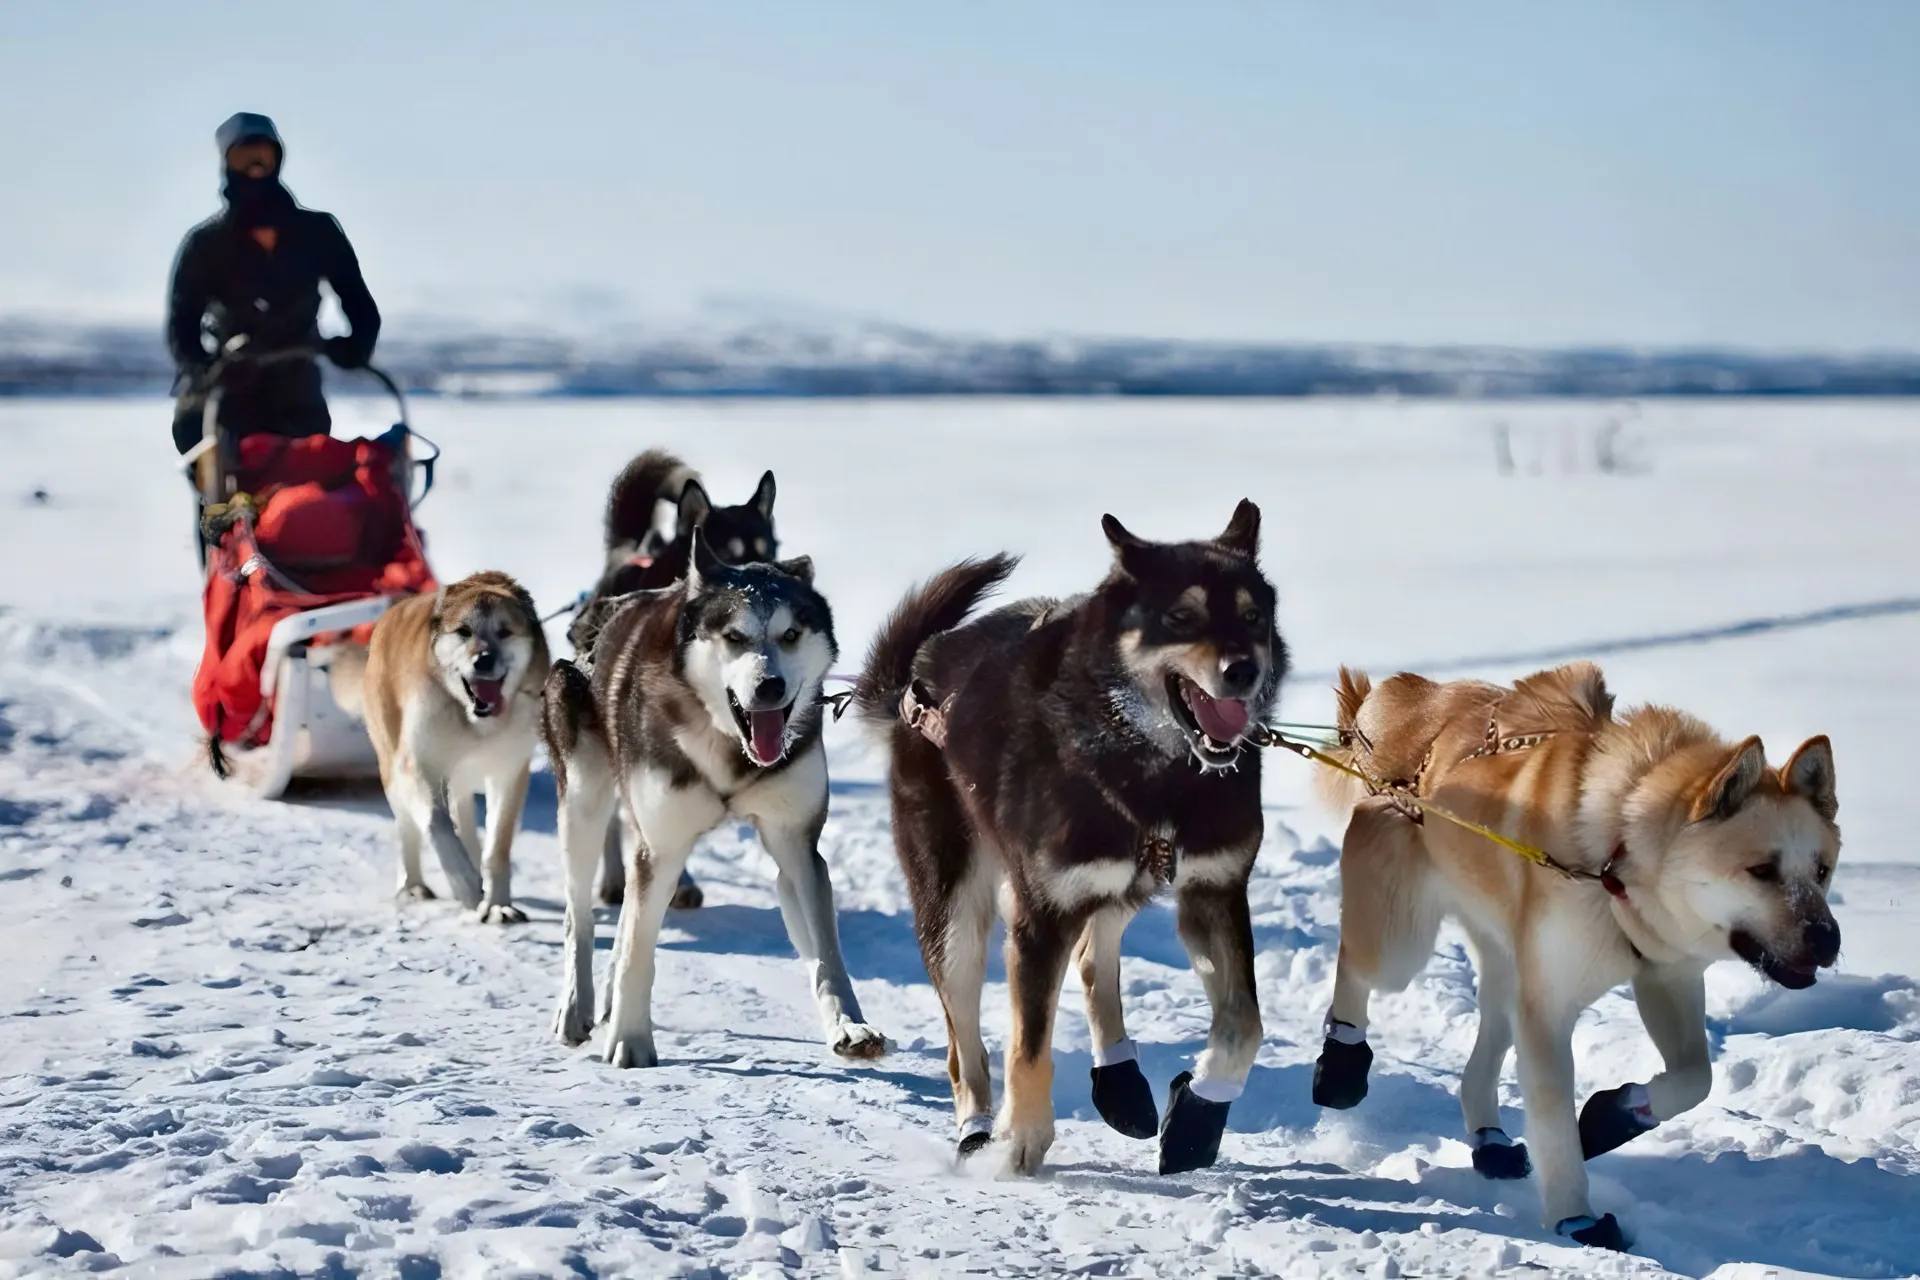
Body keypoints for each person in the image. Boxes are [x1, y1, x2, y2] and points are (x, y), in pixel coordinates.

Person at [168, 112, 381, 455]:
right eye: (243, 156)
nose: (254, 167)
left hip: (298, 397)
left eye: (263, 156)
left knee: (302, 494)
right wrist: (207, 369)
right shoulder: (206, 243)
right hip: (229, 400)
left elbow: (359, 302)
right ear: (226, 161)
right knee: (226, 502)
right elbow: (182, 324)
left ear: (278, 158)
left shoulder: (318, 232)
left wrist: (356, 346)